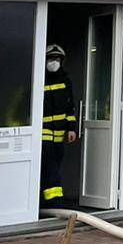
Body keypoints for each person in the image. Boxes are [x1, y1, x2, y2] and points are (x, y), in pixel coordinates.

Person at [40, 44, 78, 204]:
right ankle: (54, 201)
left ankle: (46, 200)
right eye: (50, 58)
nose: (53, 62)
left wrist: (72, 129)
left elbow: (70, 107)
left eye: (56, 59)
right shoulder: (40, 79)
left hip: (60, 134)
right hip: (44, 132)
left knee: (54, 166)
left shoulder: (65, 80)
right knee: (51, 167)